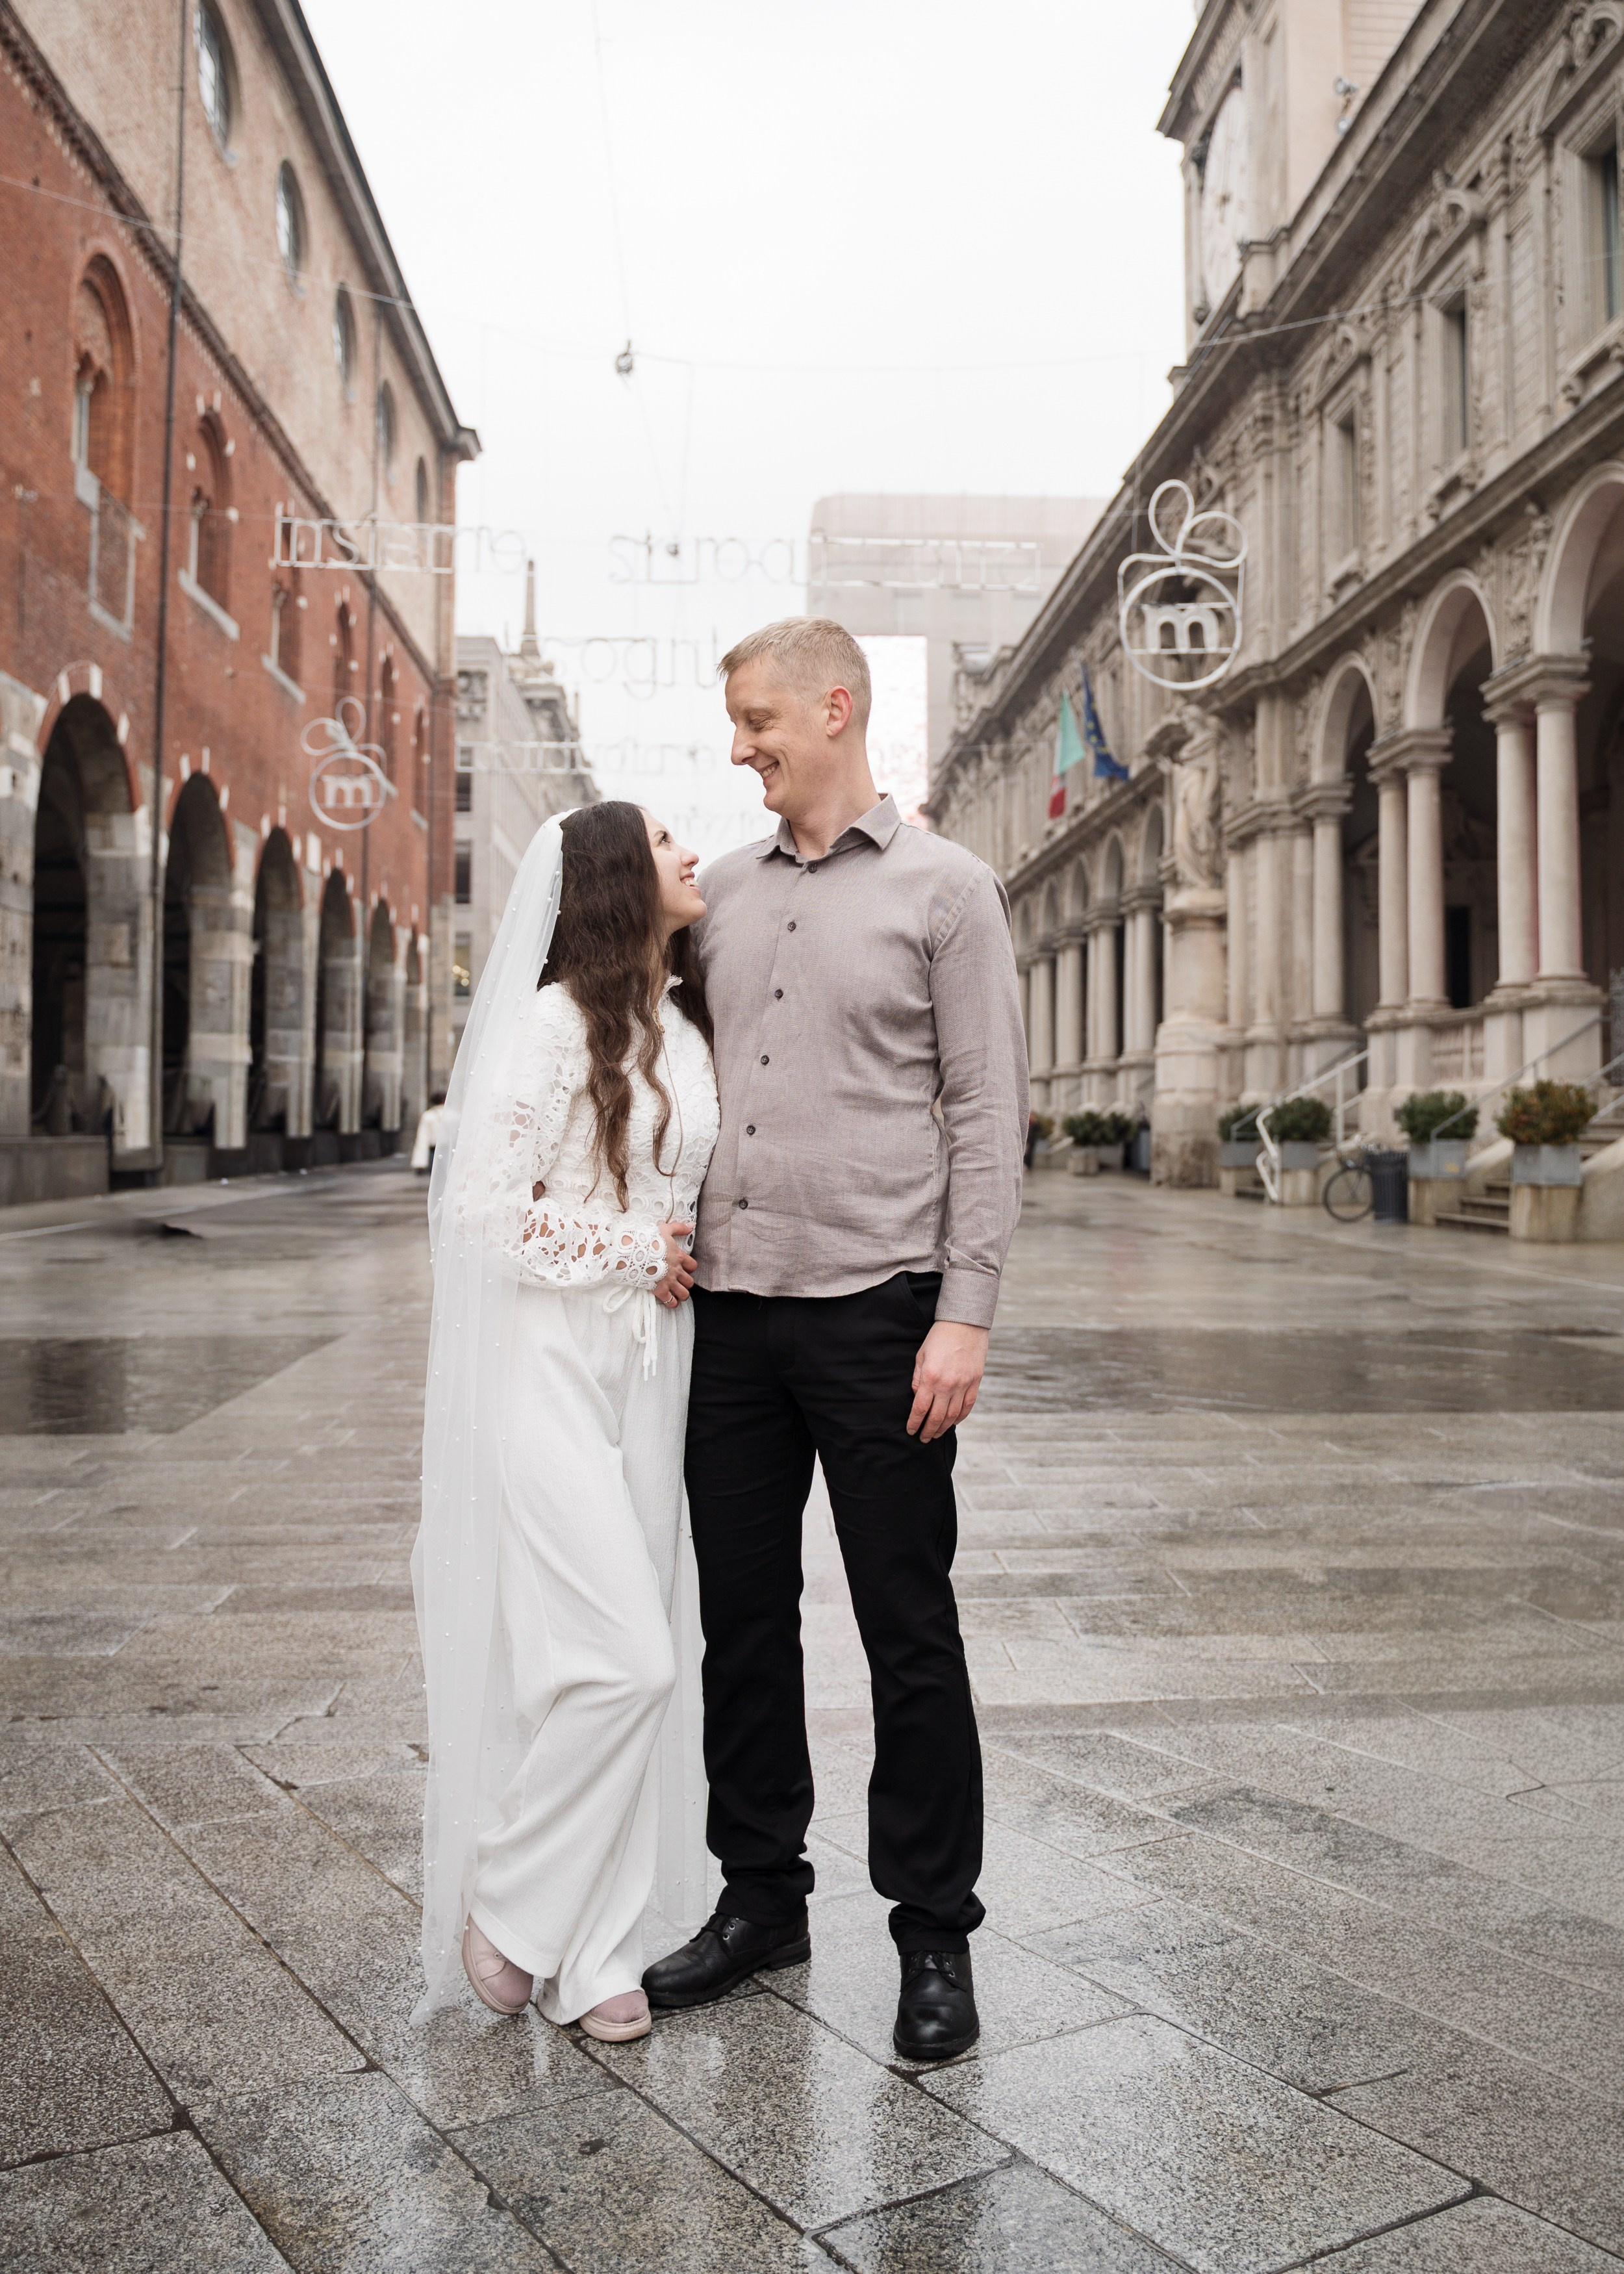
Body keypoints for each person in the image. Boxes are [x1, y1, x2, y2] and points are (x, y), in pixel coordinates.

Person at [642, 618, 1028, 2062]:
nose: (738, 746)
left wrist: (964, 1314)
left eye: (756, 720)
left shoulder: (948, 889)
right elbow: (659, 1074)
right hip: (728, 1317)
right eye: (733, 723)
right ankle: (761, 1898)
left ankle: (933, 1936)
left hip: (881, 1313)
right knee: (741, 1626)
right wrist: (644, 1215)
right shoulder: (720, 897)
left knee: (906, 1632)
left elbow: (988, 1112)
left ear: (833, 705)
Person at [412, 802, 718, 2042]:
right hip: (545, 1361)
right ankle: (512, 1908)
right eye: (664, 843)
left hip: (654, 1365)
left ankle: (599, 1952)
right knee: (619, 1656)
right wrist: (637, 1244)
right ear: (611, 881)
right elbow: (480, 1216)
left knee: (635, 1660)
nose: (690, 855)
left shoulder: (681, 1030)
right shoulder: (546, 1029)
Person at [411, 1090, 446, 1175]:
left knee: (433, 1175)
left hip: (433, 1149)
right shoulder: (452, 1114)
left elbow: (422, 1137)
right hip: (448, 1148)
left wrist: (419, 1162)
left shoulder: (428, 1115)